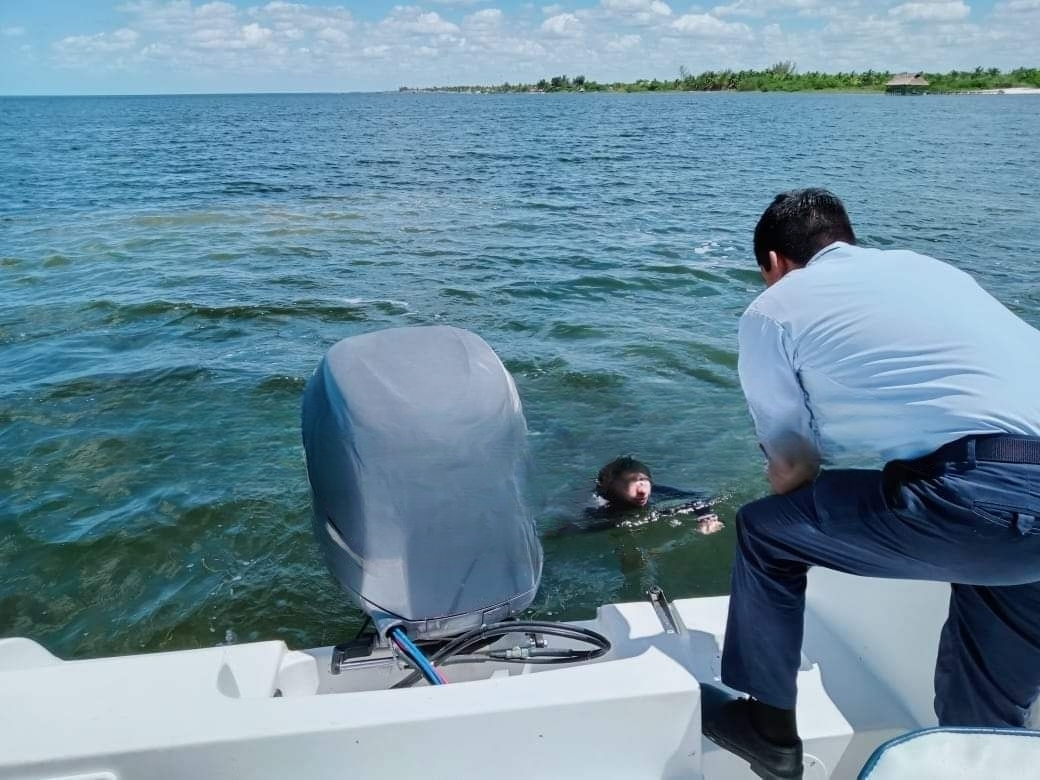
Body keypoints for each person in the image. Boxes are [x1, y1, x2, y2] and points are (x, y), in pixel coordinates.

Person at [701, 188, 1040, 780]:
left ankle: (769, 731)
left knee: (765, 533)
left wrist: (809, 514)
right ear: (844, 239)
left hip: (982, 497)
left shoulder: (775, 310)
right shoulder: (932, 270)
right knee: (981, 712)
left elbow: (793, 468)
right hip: (1011, 504)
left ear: (775, 264)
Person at [587, 456, 724, 534]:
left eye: (644, 481)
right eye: (630, 483)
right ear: (612, 486)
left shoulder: (657, 491)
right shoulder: (600, 501)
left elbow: (698, 499)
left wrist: (706, 516)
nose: (642, 491)